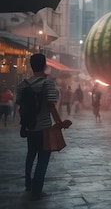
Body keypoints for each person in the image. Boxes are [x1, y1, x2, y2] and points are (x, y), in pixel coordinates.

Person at [15, 53, 65, 201]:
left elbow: (19, 104)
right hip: (44, 128)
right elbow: (51, 106)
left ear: (31, 66)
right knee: (43, 159)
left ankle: (28, 184)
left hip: (29, 128)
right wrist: (60, 123)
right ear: (45, 65)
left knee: (30, 155)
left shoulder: (22, 84)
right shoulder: (48, 84)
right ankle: (37, 190)